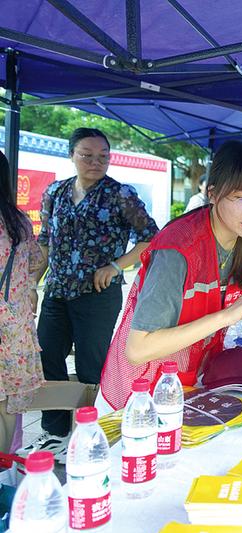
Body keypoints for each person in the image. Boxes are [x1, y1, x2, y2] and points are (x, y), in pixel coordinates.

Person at [98, 140, 242, 412]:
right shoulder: (178, 249)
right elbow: (137, 350)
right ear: (212, 194)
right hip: (139, 395)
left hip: (190, 383)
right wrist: (226, 315)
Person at [23, 128, 158, 460]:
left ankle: (93, 432)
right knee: (47, 357)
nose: (96, 161)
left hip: (98, 295)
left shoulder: (120, 195)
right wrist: (31, 285)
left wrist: (116, 266)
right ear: (72, 155)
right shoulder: (55, 192)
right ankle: (54, 431)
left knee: (90, 364)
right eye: (87, 154)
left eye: (103, 156)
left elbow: (150, 238)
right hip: (57, 291)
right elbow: (45, 243)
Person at [0, 151, 45, 453]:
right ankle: (4, 473)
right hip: (13, 327)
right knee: (6, 407)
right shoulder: (18, 222)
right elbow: (33, 262)